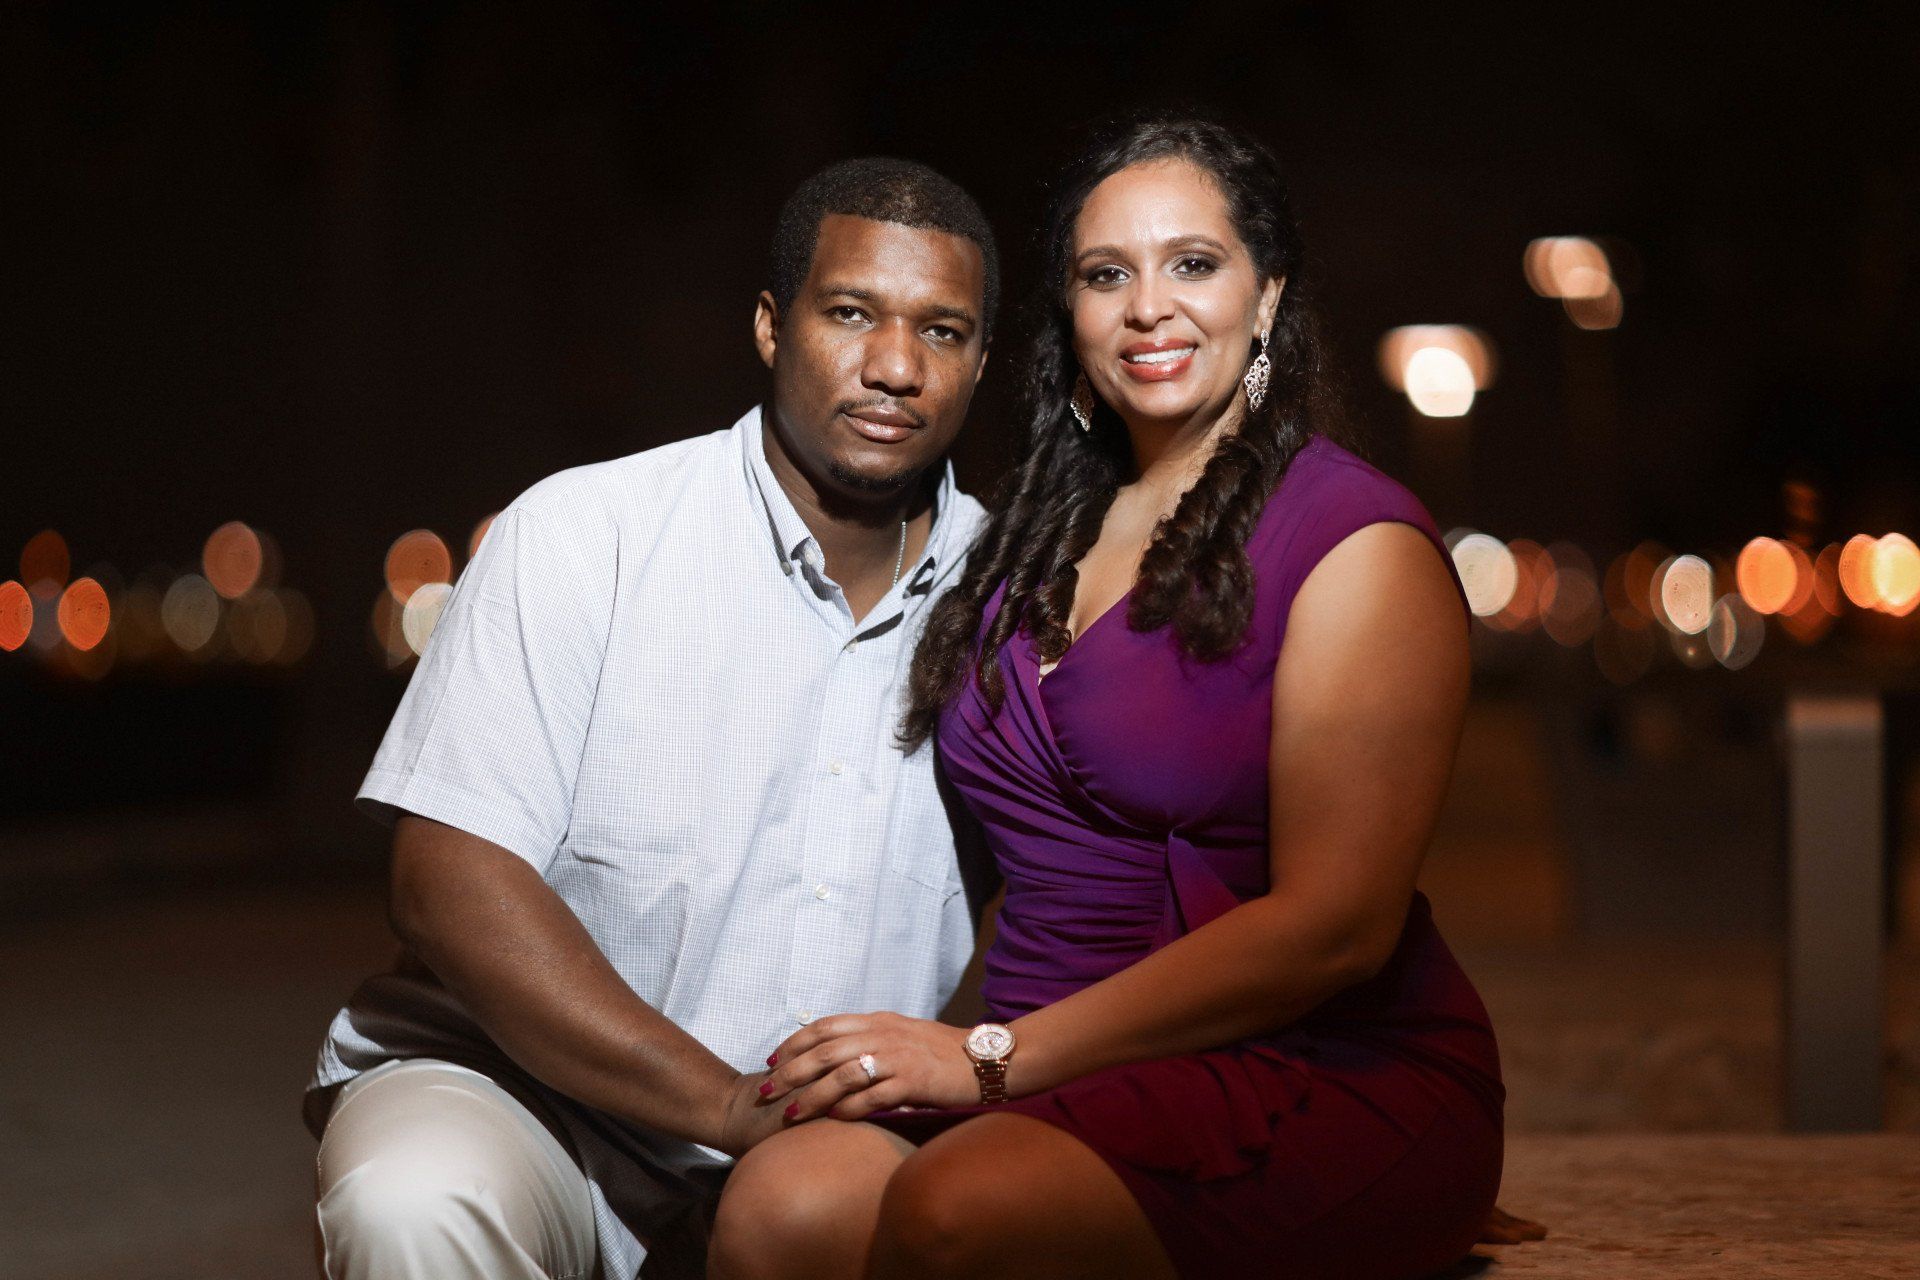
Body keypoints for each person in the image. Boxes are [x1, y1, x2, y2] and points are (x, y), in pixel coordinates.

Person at [705, 115, 1507, 1280]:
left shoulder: (1352, 544)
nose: (1147, 307)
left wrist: (987, 1056)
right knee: (783, 1204)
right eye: (1104, 274)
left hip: (1305, 1067)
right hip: (1045, 1065)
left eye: (1193, 263)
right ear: (1068, 314)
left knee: (959, 1208)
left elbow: (1340, 927)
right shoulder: (1033, 531)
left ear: (1267, 293)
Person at [303, 156, 999, 1280]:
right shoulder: (587, 535)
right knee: (414, 1200)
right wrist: (724, 1102)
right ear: (773, 327)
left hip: (834, 1152)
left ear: (979, 364)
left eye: (945, 331)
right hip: (526, 1100)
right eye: (852, 313)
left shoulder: (1018, 600)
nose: (896, 366)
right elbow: (446, 878)